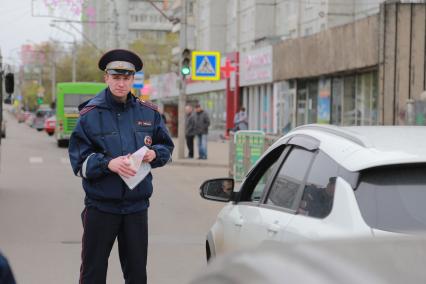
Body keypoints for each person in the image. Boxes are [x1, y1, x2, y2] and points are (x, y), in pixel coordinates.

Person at [68, 49, 174, 284]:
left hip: (136, 208)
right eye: (116, 77)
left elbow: (166, 148)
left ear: (133, 79)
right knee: (93, 273)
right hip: (100, 208)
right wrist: (108, 164)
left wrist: (155, 154)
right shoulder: (90, 115)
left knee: (137, 275)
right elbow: (79, 163)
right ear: (106, 78)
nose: (121, 83)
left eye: (127, 78)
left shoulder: (149, 112)